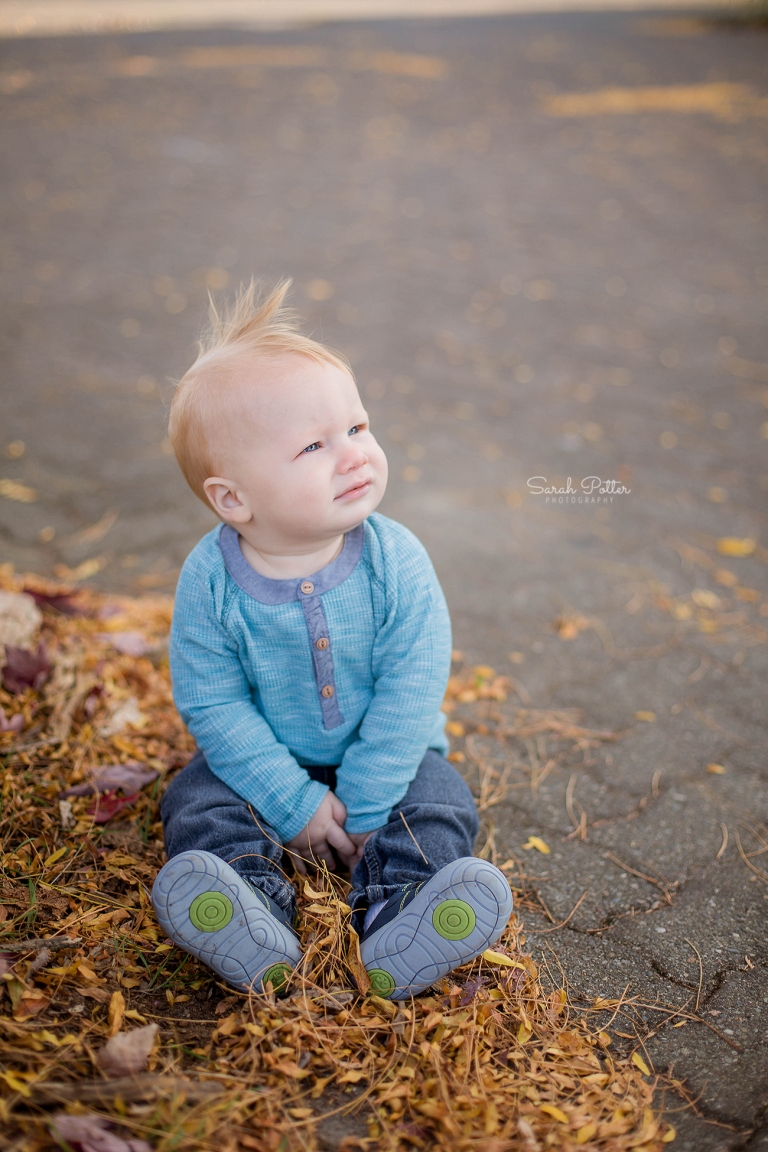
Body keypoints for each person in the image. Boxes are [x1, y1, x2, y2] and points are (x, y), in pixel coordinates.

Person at [152, 281, 512, 1000]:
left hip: (387, 755)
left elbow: (414, 685)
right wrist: (293, 803)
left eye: (357, 427)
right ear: (233, 497)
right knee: (197, 800)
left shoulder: (395, 559)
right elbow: (213, 703)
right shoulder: (210, 581)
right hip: (262, 760)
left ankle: (403, 912)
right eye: (315, 445)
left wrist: (372, 802)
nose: (353, 455)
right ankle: (244, 904)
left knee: (438, 803)